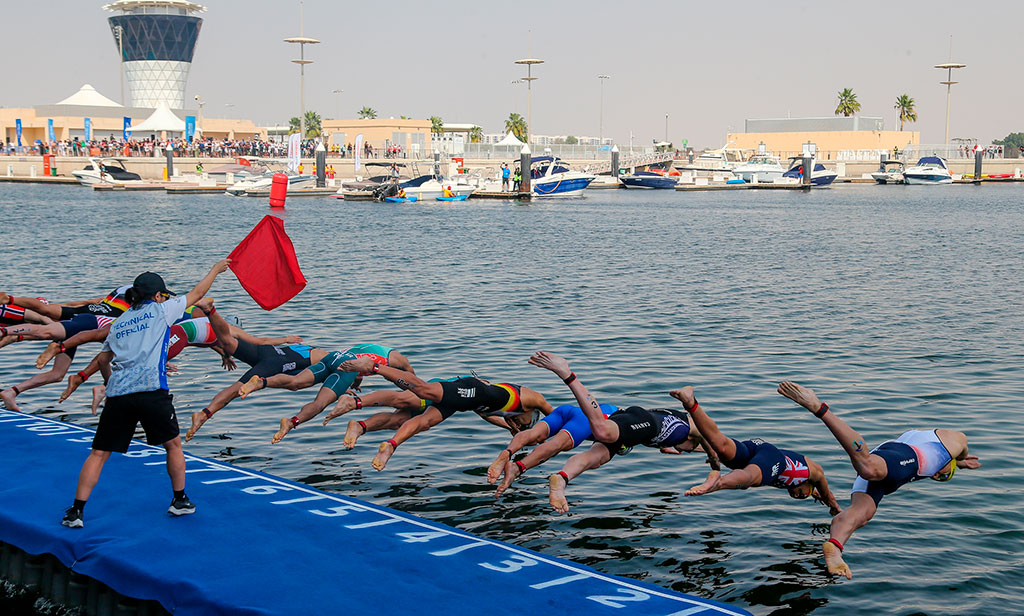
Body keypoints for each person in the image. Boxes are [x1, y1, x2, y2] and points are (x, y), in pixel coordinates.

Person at [61, 259, 230, 529]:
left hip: (119, 395)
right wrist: (215, 270)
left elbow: (104, 360)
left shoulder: (118, 323)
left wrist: (111, 385)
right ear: (158, 295)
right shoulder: (162, 310)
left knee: (98, 454)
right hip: (152, 391)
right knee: (173, 445)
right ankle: (180, 501)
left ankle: (76, 512)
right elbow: (198, 294)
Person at [777, 381, 981, 580]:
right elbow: (960, 451)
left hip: (892, 468)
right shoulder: (953, 442)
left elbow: (949, 463)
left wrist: (959, 465)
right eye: (945, 475)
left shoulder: (936, 457)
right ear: (949, 460)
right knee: (868, 468)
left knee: (861, 514)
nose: (937, 476)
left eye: (941, 478)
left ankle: (835, 547)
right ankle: (819, 408)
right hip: (903, 459)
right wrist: (961, 458)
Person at [526, 352, 723, 513]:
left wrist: (669, 448)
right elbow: (712, 444)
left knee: (595, 458)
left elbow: (679, 445)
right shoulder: (695, 427)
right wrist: (715, 462)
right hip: (643, 421)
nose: (688, 450)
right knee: (602, 431)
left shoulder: (677, 438)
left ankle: (561, 479)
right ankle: (567, 374)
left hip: (636, 428)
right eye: (690, 449)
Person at [334, 357, 553, 471]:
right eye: (525, 425)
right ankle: (373, 367)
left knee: (424, 422)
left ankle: (391, 445)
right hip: (471, 389)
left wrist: (509, 428)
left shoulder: (505, 416)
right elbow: (557, 416)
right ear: (532, 415)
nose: (519, 426)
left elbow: (484, 412)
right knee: (420, 390)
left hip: (465, 402)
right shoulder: (531, 399)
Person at [184, 303, 326, 441]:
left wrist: (285, 339)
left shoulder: (304, 348)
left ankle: (211, 311)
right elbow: (301, 381)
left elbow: (262, 341)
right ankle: (204, 414)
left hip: (264, 350)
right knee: (236, 389)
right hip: (275, 363)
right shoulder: (325, 358)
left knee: (227, 341)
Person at [235, 343, 413, 444]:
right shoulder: (399, 362)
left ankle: (261, 382)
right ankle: (291, 422)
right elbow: (412, 383)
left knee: (296, 382)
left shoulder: (378, 350)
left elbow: (361, 365)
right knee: (320, 404)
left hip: (334, 356)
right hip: (348, 366)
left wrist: (354, 382)